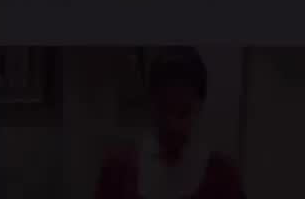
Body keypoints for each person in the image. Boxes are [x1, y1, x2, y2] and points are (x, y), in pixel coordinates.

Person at [94, 51, 245, 199]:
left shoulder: (223, 177)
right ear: (151, 105)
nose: (172, 124)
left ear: (199, 108)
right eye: (163, 110)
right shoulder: (118, 170)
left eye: (183, 112)